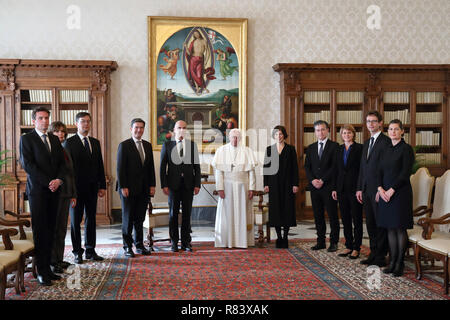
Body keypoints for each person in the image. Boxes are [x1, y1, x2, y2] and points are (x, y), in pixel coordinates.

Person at [19, 107, 66, 286]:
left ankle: (48, 268)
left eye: (47, 118)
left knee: (52, 230)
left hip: (55, 191)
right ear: (34, 121)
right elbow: (28, 165)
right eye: (41, 118)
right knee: (40, 231)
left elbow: (62, 164)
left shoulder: (54, 139)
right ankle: (41, 271)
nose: (45, 121)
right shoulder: (26, 139)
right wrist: (49, 182)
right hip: (38, 192)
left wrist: (59, 180)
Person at [64, 112, 106, 264]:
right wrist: (71, 192)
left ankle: (90, 250)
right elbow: (68, 171)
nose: (86, 124)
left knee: (91, 219)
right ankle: (77, 252)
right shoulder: (69, 143)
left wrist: (102, 185)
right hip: (76, 190)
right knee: (75, 221)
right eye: (83, 122)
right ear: (76, 124)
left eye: (88, 121)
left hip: (92, 188)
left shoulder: (95, 142)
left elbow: (99, 165)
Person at [376, 119, 414, 277]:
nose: (393, 132)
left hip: (400, 193)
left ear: (402, 131)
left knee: (399, 228)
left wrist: (391, 190)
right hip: (384, 193)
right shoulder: (385, 149)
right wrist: (380, 189)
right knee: (390, 228)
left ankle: (400, 263)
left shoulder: (406, 149)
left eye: (396, 129)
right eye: (390, 129)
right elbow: (377, 171)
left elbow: (405, 173)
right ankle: (391, 262)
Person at [212, 129, 258, 248]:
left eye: (237, 137)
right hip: (227, 187)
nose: (235, 140)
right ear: (229, 137)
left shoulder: (247, 151)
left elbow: (252, 173)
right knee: (227, 214)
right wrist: (220, 188)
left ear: (240, 138)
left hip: (243, 186)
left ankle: (242, 242)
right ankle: (226, 241)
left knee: (243, 213)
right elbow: (219, 172)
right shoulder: (221, 151)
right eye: (233, 137)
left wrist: (252, 188)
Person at [116, 118, 156, 257]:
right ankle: (127, 247)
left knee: (139, 219)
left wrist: (152, 185)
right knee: (128, 219)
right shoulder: (124, 145)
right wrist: (123, 186)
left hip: (144, 189)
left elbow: (150, 168)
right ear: (131, 129)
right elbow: (120, 169)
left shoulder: (147, 145)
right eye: (136, 127)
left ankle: (139, 245)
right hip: (128, 189)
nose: (139, 130)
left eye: (141, 128)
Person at [160, 120, 201, 252]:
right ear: (174, 130)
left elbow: (197, 167)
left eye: (184, 128)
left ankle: (185, 242)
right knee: (173, 215)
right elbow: (162, 167)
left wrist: (197, 184)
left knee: (187, 215)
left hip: (188, 185)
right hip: (173, 185)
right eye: (179, 128)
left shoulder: (192, 145)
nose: (181, 130)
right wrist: (164, 185)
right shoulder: (167, 145)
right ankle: (173, 242)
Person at [356, 110, 391, 267]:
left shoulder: (386, 142)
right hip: (366, 190)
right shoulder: (366, 143)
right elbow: (363, 169)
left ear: (380, 123)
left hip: (378, 191)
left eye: (374, 121)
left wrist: (381, 189)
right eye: (368, 121)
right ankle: (373, 252)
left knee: (380, 223)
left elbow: (386, 169)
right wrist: (359, 188)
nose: (370, 124)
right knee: (370, 223)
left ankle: (381, 256)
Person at [304, 120, 339, 252]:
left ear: (328, 130)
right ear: (315, 132)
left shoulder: (335, 146)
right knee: (318, 215)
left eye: (323, 129)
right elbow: (307, 167)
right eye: (318, 130)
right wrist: (313, 180)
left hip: (329, 186)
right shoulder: (311, 147)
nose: (320, 132)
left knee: (332, 215)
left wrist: (323, 179)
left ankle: (334, 242)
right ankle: (320, 241)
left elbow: (335, 167)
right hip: (315, 188)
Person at [263, 125, 299, 248]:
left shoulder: (291, 149)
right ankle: (278, 237)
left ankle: (285, 237)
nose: (279, 136)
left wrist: (295, 184)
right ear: (274, 136)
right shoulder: (269, 150)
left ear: (284, 135)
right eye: (277, 134)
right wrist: (266, 184)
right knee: (276, 210)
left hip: (288, 184)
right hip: (273, 184)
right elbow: (266, 168)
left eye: (281, 134)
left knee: (287, 209)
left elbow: (295, 168)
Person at [48, 121, 77, 274]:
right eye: (57, 131)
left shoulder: (65, 149)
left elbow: (70, 175)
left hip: (66, 194)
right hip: (55, 195)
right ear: (51, 133)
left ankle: (59, 259)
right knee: (53, 229)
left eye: (62, 132)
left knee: (61, 229)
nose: (61, 134)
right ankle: (52, 261)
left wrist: (73, 194)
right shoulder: (50, 150)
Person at [331, 125, 363, 259]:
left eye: (349, 132)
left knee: (357, 219)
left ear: (353, 134)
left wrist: (360, 188)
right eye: (344, 133)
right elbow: (335, 170)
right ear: (341, 135)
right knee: (345, 219)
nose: (346, 135)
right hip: (341, 189)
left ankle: (357, 248)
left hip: (355, 189)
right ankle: (349, 245)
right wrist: (334, 188)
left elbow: (362, 170)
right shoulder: (338, 149)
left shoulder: (360, 148)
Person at [184, 29, 215, 94]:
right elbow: (189, 53)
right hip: (193, 59)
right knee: (194, 74)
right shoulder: (193, 42)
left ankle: (204, 87)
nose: (196, 35)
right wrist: (186, 47)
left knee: (199, 75)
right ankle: (197, 89)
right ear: (194, 35)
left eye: (197, 33)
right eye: (195, 34)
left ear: (199, 33)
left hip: (200, 59)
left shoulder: (204, 41)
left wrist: (206, 61)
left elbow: (208, 52)